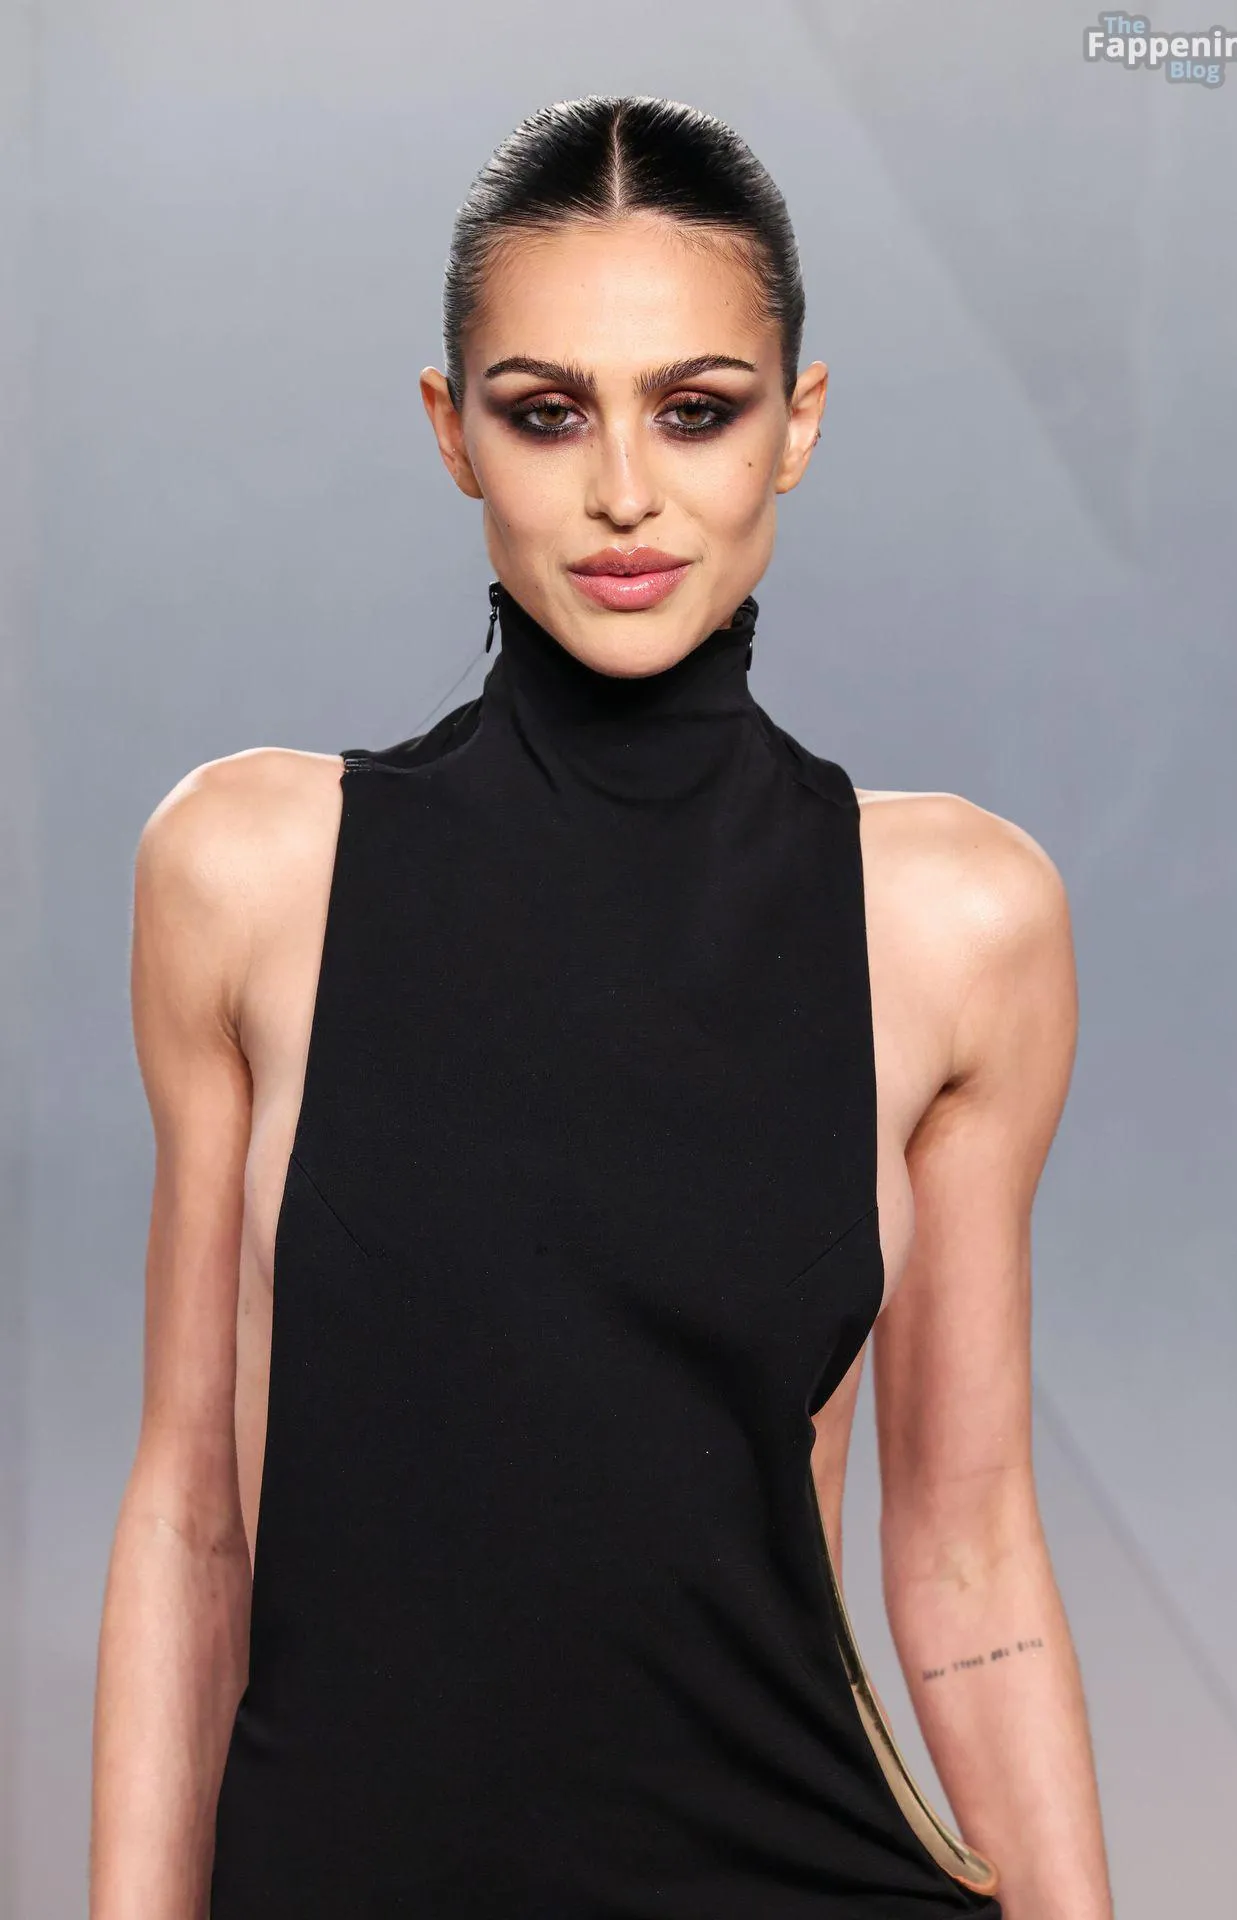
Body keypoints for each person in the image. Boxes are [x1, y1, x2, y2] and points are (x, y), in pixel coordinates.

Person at [90, 94, 1113, 1920]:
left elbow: (967, 1555)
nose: (624, 489)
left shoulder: (957, 922)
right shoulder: (248, 874)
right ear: (450, 430)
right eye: (547, 412)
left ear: (797, 425)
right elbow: (191, 1521)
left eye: (697, 409)